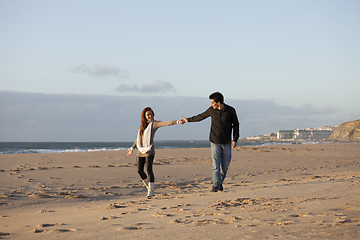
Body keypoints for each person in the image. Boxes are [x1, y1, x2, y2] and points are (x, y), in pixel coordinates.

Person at [180, 92, 239, 192]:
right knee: (215, 166)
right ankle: (216, 185)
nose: (211, 104)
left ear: (218, 102)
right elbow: (200, 117)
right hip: (215, 141)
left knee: (224, 167)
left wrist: (235, 139)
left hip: (227, 142)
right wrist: (187, 120)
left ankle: (219, 183)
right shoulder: (211, 110)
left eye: (212, 102)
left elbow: (236, 125)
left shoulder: (231, 111)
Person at [128, 107, 180, 198]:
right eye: (148, 115)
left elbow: (166, 123)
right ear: (144, 116)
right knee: (139, 170)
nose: (150, 116)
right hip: (140, 150)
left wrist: (177, 121)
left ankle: (151, 192)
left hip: (149, 151)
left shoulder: (154, 124)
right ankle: (149, 187)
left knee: (149, 170)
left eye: (151, 114)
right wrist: (132, 147)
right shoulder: (142, 126)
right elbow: (138, 138)